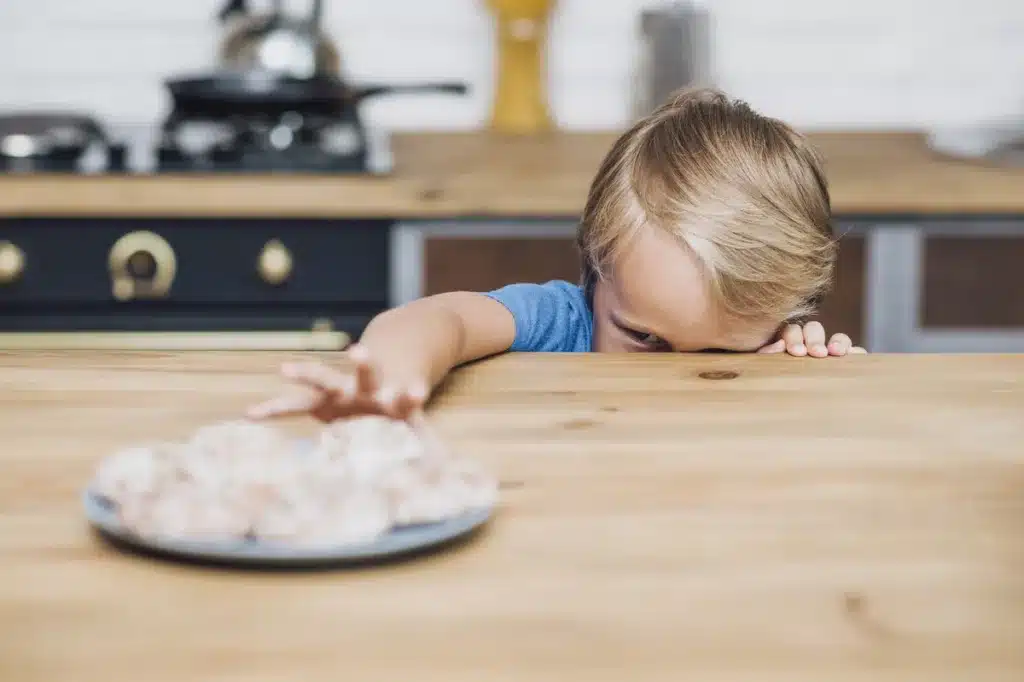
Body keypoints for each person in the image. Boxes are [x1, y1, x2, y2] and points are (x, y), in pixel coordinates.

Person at [248, 87, 865, 424]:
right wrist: (390, 376)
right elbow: (440, 320)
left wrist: (802, 380)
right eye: (644, 340)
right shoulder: (562, 322)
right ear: (596, 268)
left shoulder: (778, 346)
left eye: (717, 355)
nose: (670, 384)